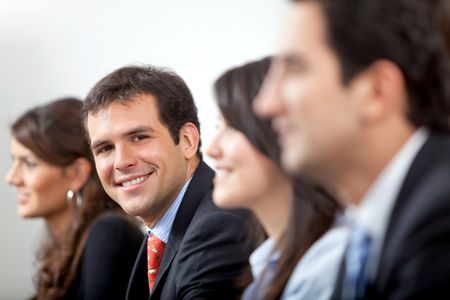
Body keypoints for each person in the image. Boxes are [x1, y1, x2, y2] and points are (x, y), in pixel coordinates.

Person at [254, 0, 450, 299]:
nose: (265, 105)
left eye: (293, 69)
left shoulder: (439, 221)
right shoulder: (370, 226)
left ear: (376, 91)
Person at [81, 65, 252, 299]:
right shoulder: (160, 232)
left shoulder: (217, 227)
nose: (121, 162)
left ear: (187, 141)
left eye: (139, 138)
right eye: (105, 148)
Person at [208, 56, 341, 300]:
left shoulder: (325, 268)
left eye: (232, 128)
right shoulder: (266, 265)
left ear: (282, 135)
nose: (211, 149)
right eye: (218, 127)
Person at [5, 98, 143, 300]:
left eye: (29, 163)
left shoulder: (109, 234)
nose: (11, 178)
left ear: (76, 174)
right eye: (14, 161)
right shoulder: (64, 245)